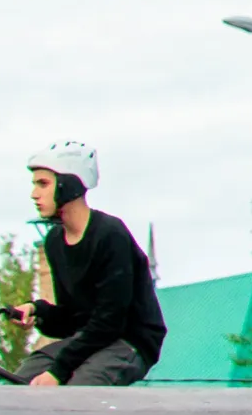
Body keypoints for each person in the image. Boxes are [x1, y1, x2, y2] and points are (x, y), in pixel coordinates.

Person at [9, 141, 166, 388]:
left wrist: (58, 372)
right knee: (19, 382)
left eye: (43, 184)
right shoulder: (55, 242)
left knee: (78, 390)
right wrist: (37, 311)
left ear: (68, 184)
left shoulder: (110, 234)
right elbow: (71, 321)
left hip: (129, 340)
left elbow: (111, 321)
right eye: (34, 184)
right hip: (91, 339)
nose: (34, 194)